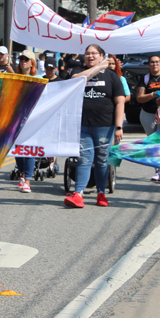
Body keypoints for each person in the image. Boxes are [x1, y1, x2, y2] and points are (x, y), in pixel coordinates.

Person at [64, 44, 125, 208]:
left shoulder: (112, 76)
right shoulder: (79, 71)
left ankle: (101, 193)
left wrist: (119, 127)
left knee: (101, 161)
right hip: (83, 125)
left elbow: (120, 101)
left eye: (94, 54)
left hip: (105, 126)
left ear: (101, 55)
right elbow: (74, 80)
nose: (90, 56)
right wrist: (97, 68)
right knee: (84, 159)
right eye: (87, 54)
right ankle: (78, 194)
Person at [135, 54, 160, 182]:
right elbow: (139, 98)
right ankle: (157, 170)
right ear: (149, 65)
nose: (154, 64)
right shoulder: (145, 79)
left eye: (157, 62)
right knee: (152, 142)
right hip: (148, 114)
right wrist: (153, 94)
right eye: (152, 62)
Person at [14, 50, 43, 193]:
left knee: (29, 149)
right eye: (21, 59)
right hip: (17, 118)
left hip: (32, 118)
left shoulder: (38, 78)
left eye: (27, 59)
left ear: (32, 62)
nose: (23, 61)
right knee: (18, 150)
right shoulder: (15, 78)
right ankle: (22, 175)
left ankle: (28, 181)